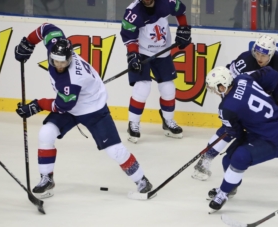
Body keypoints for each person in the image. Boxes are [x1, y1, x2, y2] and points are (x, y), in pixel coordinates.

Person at [13, 23, 153, 199]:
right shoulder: (56, 46)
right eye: (55, 60)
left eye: (63, 62)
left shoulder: (72, 80)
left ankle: (142, 181)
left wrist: (37, 105)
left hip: (93, 108)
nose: (59, 65)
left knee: (114, 150)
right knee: (46, 133)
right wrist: (28, 42)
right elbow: (46, 28)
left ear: (70, 58)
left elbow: (62, 106)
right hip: (71, 103)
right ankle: (46, 178)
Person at [192, 34, 278, 181]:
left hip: (264, 94)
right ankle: (205, 159)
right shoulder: (245, 60)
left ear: (272, 54)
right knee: (228, 130)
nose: (259, 58)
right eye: (257, 53)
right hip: (239, 96)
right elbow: (227, 83)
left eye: (264, 55)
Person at [204, 66, 278, 213]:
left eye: (215, 88)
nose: (214, 91)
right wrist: (271, 98)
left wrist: (241, 122)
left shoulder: (226, 108)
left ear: (222, 85)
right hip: (266, 130)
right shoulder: (243, 78)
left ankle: (223, 193)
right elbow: (273, 73)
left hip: (275, 138)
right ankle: (230, 187)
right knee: (228, 159)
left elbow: (237, 134)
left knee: (240, 157)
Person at [120, 0, 192, 143]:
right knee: (143, 87)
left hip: (162, 50)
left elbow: (180, 11)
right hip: (142, 52)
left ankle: (168, 120)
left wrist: (183, 28)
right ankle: (133, 124)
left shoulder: (167, 2)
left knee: (168, 88)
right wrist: (133, 56)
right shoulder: (132, 13)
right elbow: (129, 38)